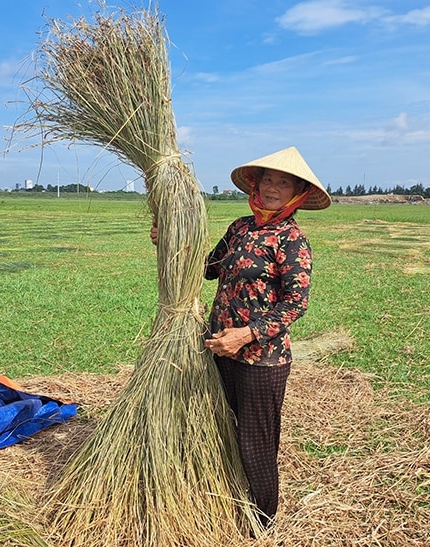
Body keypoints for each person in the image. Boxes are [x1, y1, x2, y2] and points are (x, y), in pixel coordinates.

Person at [150, 146, 331, 530]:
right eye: (268, 179)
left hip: (261, 359)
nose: (272, 188)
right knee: (225, 431)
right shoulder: (240, 228)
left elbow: (295, 304)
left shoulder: (291, 239)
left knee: (256, 444)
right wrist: (168, 238)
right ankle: (229, 501)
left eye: (283, 182)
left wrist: (245, 335)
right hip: (220, 350)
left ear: (297, 192)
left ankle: (261, 523)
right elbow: (208, 269)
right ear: (256, 183)